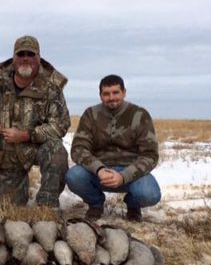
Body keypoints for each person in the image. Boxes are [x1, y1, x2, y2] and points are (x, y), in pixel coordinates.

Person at [0, 35, 70, 207]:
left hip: (35, 147)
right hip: (5, 154)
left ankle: (47, 204)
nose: (26, 58)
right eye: (21, 54)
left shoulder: (51, 87)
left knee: (57, 151)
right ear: (13, 58)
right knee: (13, 210)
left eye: (31, 54)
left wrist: (26, 135)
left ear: (39, 57)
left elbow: (60, 125)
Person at [65, 74, 160, 222]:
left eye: (116, 92)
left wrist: (124, 176)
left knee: (150, 194)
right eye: (106, 94)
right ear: (100, 95)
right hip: (99, 172)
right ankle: (95, 204)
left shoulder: (140, 115)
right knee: (74, 176)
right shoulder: (90, 114)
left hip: (131, 173)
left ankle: (133, 205)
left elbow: (150, 156)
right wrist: (99, 169)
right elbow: (78, 149)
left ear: (124, 92)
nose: (111, 97)